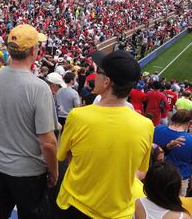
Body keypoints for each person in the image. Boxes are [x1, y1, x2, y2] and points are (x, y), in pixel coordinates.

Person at [57, 50, 153, 218]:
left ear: (107, 82)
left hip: (75, 205)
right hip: (119, 212)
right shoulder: (146, 125)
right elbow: (140, 170)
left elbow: (65, 155)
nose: (95, 74)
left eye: (99, 72)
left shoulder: (78, 116)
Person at [0, 24, 58, 219]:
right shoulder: (39, 88)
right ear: (33, 51)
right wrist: (54, 171)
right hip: (29, 174)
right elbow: (47, 142)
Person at [153, 109, 192, 196]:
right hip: (180, 178)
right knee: (177, 205)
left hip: (156, 173)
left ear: (173, 119)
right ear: (188, 123)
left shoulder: (157, 129)